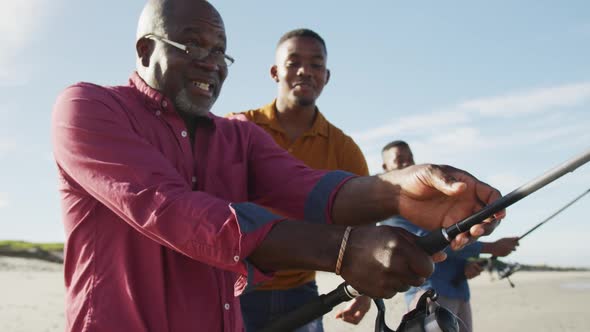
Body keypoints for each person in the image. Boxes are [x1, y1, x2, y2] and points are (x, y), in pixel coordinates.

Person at [50, 1, 505, 331]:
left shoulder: (238, 137)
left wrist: (400, 192)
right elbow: (171, 209)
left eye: (220, 52)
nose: (211, 63)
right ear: (147, 49)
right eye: (193, 45)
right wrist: (342, 251)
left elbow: (311, 190)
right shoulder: (88, 108)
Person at [229, 28, 371, 331]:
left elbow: (366, 224)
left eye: (316, 64)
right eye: (293, 62)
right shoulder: (236, 129)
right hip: (233, 290)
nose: (305, 71)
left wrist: (364, 285)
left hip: (302, 296)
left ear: (327, 76)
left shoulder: (343, 149)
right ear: (274, 72)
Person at [379, 140, 519, 332]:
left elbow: (455, 241)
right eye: (400, 159)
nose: (407, 163)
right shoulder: (390, 210)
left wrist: (466, 267)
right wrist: (491, 247)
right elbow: (424, 244)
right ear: (385, 167)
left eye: (410, 158)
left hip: (460, 292)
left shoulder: (431, 199)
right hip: (428, 294)